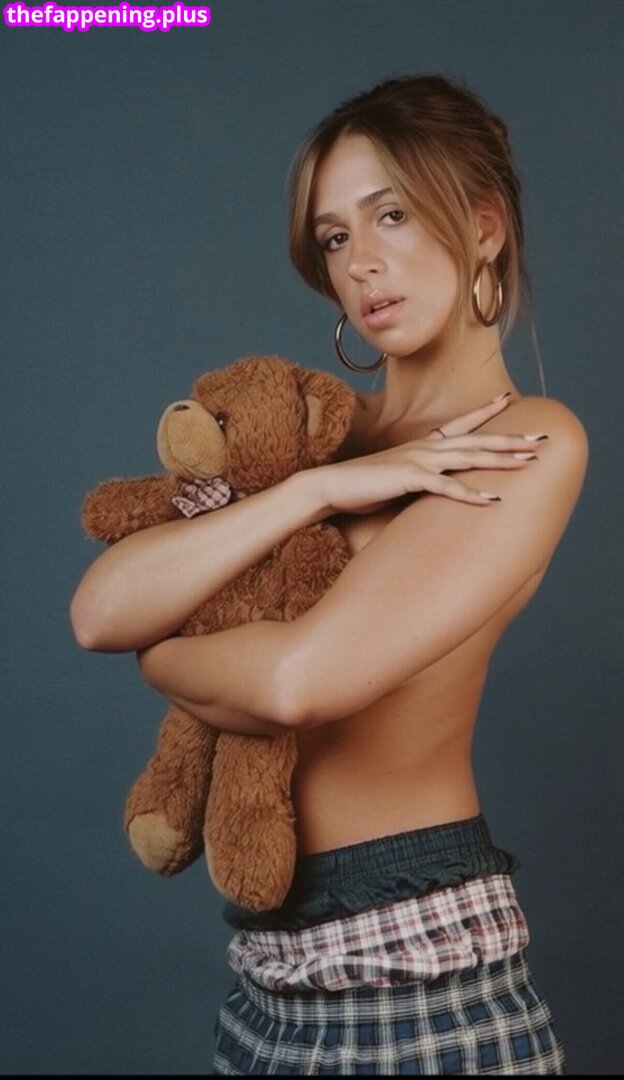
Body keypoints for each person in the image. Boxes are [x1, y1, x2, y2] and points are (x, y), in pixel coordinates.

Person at [70, 73, 588, 1075]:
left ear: (483, 227)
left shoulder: (527, 440)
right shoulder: (314, 445)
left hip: (420, 978)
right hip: (265, 979)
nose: (361, 263)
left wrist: (160, 659)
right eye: (336, 236)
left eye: (393, 215)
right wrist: (315, 491)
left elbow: (297, 682)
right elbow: (100, 609)